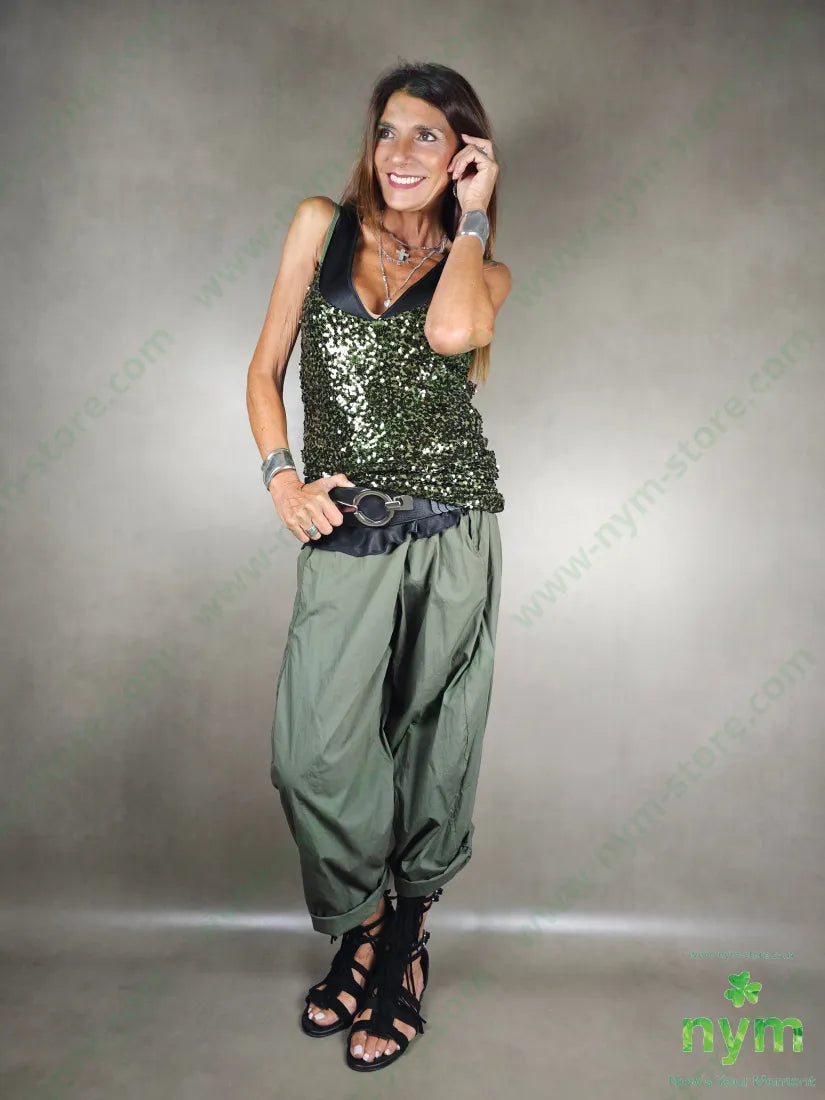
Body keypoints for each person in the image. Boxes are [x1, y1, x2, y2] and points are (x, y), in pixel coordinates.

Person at [246, 60, 511, 1072]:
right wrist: (282, 478)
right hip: (346, 529)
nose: (401, 153)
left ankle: (403, 946)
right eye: (389, 131)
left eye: (428, 137)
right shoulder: (319, 226)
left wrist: (473, 215)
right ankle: (361, 925)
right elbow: (264, 369)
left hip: (453, 528)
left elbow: (451, 330)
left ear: (464, 156)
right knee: (312, 752)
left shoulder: (483, 271)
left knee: (432, 741)